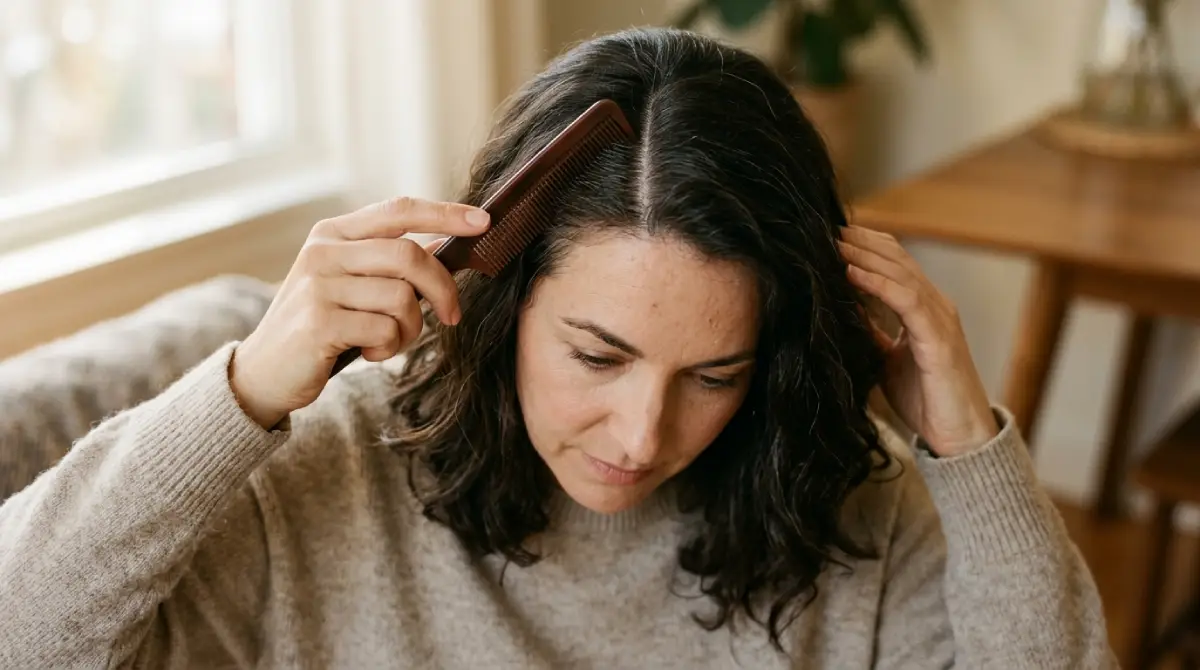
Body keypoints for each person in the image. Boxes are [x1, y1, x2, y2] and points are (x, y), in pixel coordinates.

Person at [0, 27, 1115, 669]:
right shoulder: (329, 470)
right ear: (505, 305)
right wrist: (239, 394)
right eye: (597, 354)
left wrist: (966, 443)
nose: (642, 435)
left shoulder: (842, 501)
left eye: (714, 374)